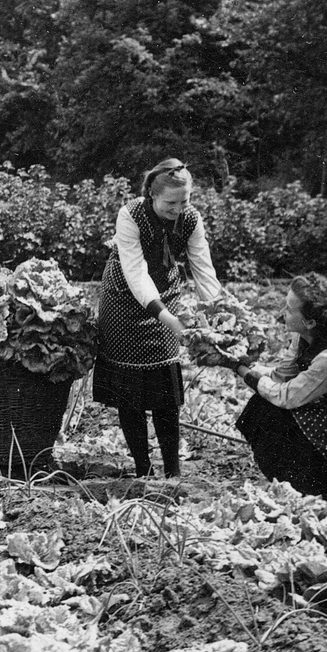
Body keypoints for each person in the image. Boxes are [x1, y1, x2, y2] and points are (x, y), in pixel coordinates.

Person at [92, 158, 222, 478]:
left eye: (185, 201)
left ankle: (173, 472)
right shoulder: (131, 214)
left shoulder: (191, 219)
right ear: (152, 193)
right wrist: (169, 319)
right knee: (131, 392)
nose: (178, 209)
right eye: (171, 203)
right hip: (123, 298)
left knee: (165, 389)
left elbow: (203, 270)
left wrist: (219, 313)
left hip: (166, 289)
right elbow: (136, 274)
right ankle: (143, 469)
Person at [219, 274, 327, 500]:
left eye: (290, 309)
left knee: (274, 412)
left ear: (310, 322)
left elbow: (286, 396)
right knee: (263, 407)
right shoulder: (304, 337)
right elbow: (281, 377)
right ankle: (303, 480)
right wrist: (243, 361)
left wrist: (239, 369)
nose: (282, 312)